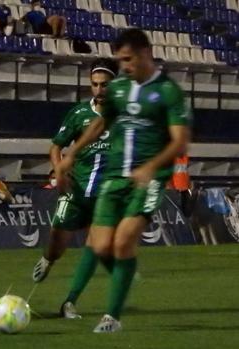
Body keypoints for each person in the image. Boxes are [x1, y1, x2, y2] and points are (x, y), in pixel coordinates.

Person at [55, 28, 191, 332]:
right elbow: (101, 123)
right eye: (120, 60)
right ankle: (126, 272)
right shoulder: (118, 89)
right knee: (101, 246)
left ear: (145, 53)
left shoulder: (168, 92)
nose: (124, 66)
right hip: (115, 177)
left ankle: (112, 317)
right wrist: (72, 153)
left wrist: (151, 167)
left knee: (123, 241)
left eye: (128, 59)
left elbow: (180, 142)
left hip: (150, 178)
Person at [31, 58, 118, 320]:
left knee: (95, 247)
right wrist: (59, 171)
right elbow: (56, 146)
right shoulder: (79, 114)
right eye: (94, 84)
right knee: (57, 245)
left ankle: (69, 302)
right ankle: (48, 259)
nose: (99, 89)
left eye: (104, 84)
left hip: (107, 196)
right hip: (76, 190)